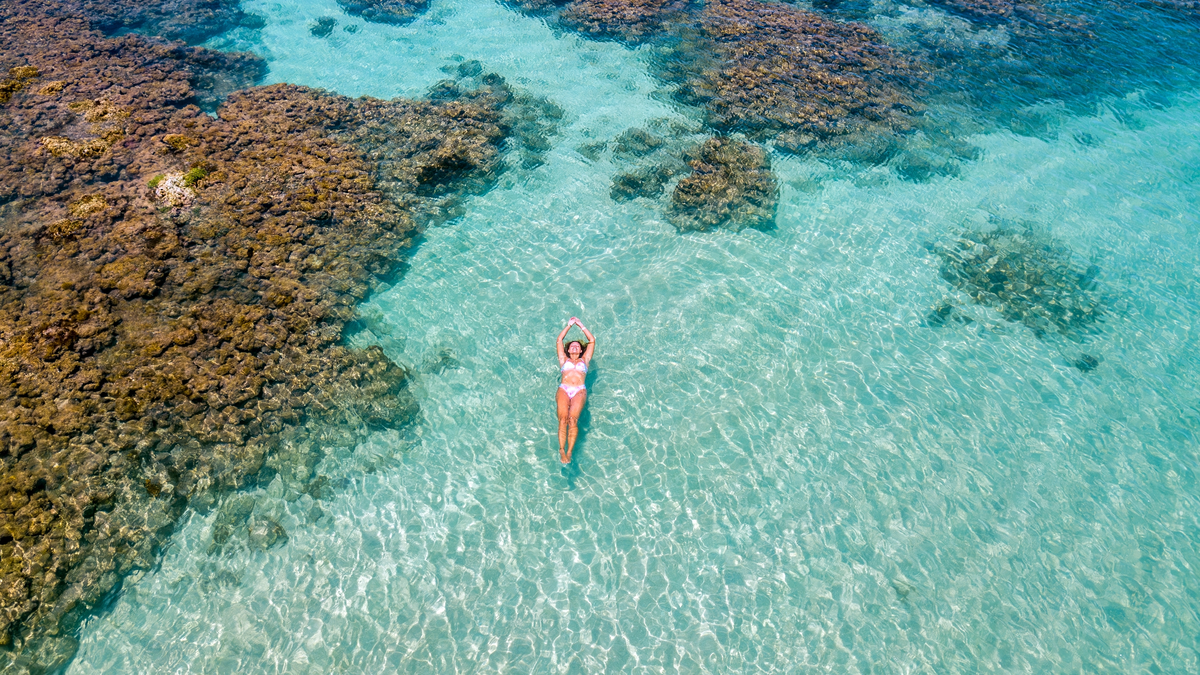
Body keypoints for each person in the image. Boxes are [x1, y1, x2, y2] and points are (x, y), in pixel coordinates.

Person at [556, 317, 594, 464]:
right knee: (562, 420)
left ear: (581, 350)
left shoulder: (585, 360)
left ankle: (569, 451)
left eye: (578, 346)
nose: (575, 347)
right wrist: (569, 325)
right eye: (572, 346)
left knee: (573, 420)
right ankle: (561, 450)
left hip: (579, 390)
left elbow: (591, 340)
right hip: (564, 389)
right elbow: (559, 340)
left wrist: (581, 325)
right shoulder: (563, 359)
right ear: (568, 349)